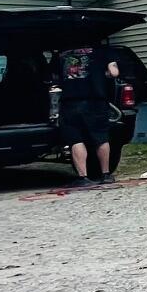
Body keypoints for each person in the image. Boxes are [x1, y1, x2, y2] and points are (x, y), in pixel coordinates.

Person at [53, 42, 121, 185]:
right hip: (96, 100)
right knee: (101, 137)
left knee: (75, 138)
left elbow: (54, 77)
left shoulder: (62, 52)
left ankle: (83, 178)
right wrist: (102, 76)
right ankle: (106, 175)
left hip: (71, 101)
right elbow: (114, 72)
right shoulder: (102, 50)